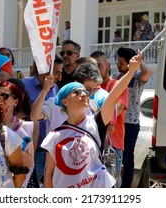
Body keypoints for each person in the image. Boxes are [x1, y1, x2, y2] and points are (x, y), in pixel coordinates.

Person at [41, 51, 144, 188]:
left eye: (86, 92)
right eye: (77, 92)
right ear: (65, 101)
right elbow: (49, 174)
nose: (84, 95)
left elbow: (113, 97)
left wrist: (131, 71)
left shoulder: (96, 123)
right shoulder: (54, 136)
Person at [112, 47, 152, 188]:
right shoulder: (116, 77)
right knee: (114, 154)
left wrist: (138, 61)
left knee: (128, 157)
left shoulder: (137, 78)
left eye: (122, 62)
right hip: (116, 122)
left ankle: (126, 187)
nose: (118, 64)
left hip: (130, 123)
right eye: (118, 61)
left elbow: (148, 72)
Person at [90, 51, 128, 187]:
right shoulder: (88, 88)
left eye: (99, 66)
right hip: (92, 146)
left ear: (108, 65)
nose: (96, 70)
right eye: (93, 67)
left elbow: (115, 111)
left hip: (113, 147)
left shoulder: (119, 86)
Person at [0, 81, 37, 187]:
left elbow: (29, 163)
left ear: (16, 101)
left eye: (4, 96)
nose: (0, 100)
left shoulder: (25, 127)